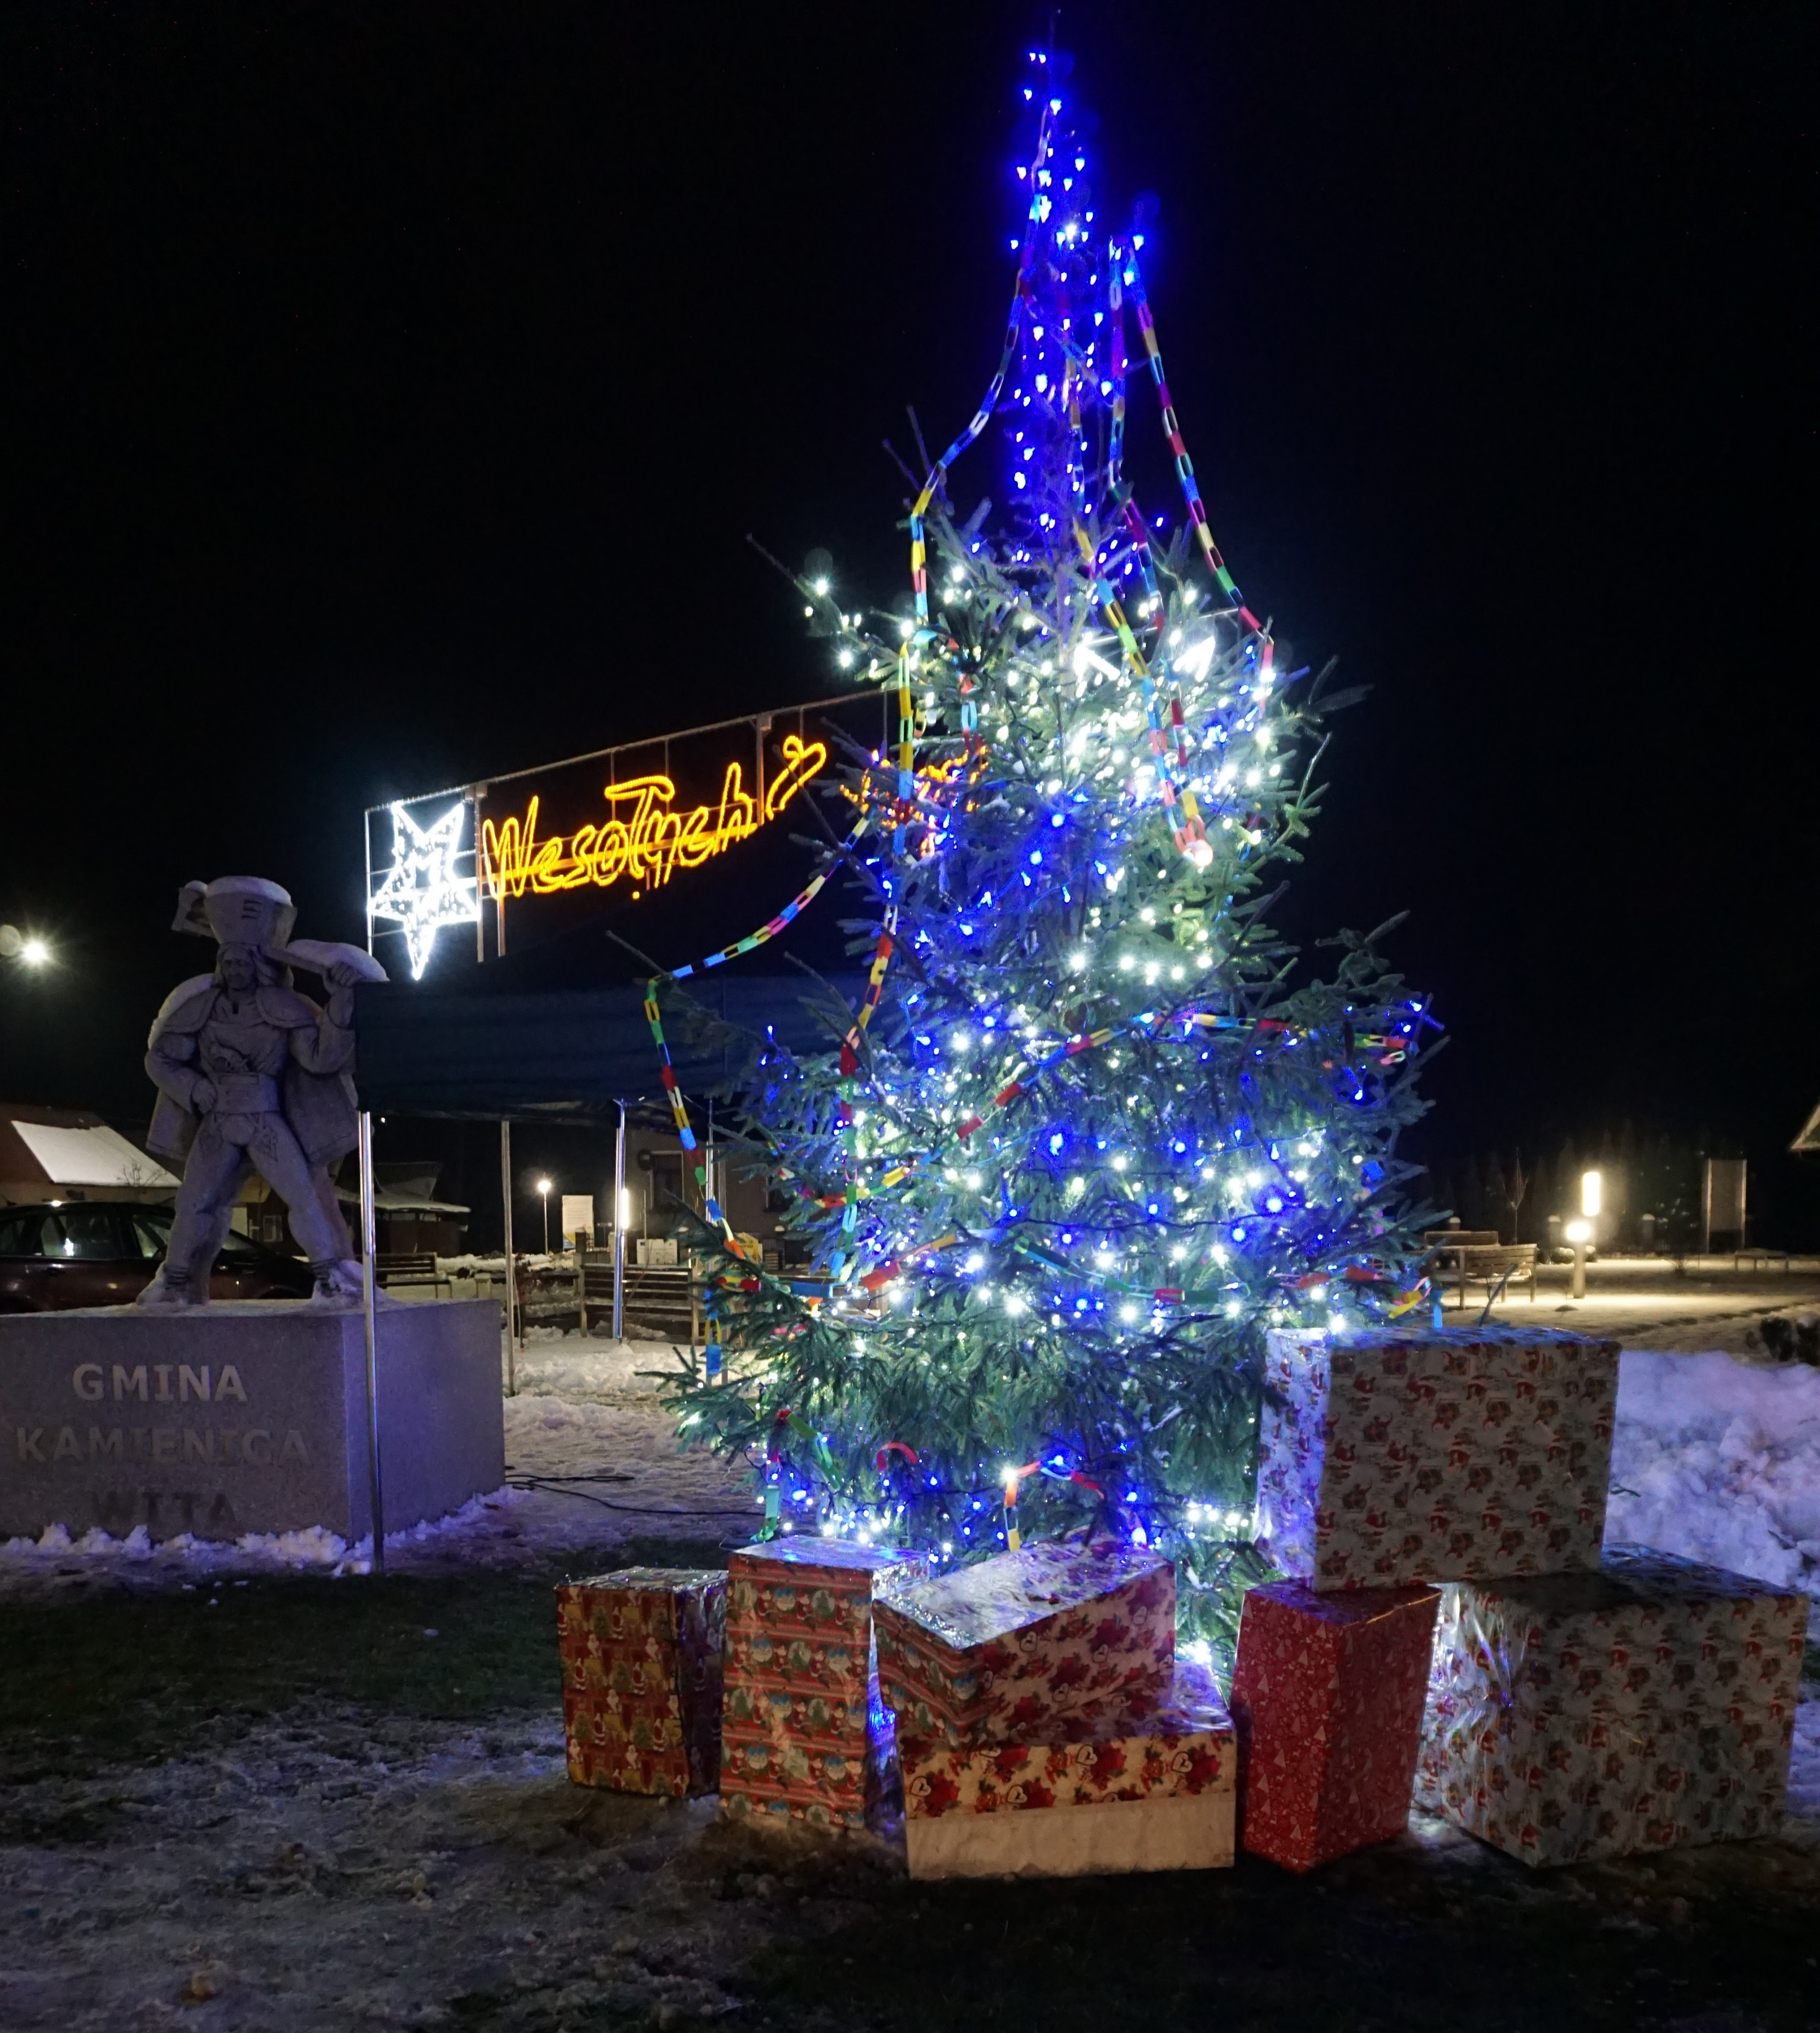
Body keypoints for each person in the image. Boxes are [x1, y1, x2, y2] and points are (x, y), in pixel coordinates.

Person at [139, 876, 383, 1305]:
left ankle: (329, 1278)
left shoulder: (283, 1007)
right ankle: (174, 1282)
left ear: (259, 965)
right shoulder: (202, 1007)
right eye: (228, 962)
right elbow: (160, 1058)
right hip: (217, 1121)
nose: (235, 970)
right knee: (193, 1205)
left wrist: (342, 1002)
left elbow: (322, 1059)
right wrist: (194, 1087)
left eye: (243, 962)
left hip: (265, 1120)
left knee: (305, 1199)